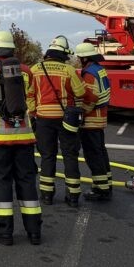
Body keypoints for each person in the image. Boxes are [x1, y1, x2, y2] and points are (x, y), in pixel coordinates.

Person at [0, 30, 41, 246]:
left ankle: (4, 233)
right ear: (12, 49)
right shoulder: (26, 71)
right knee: (27, 182)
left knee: (2, 182)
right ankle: (34, 232)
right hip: (24, 136)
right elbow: (30, 94)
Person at [28, 35, 86, 207]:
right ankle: (73, 196)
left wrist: (33, 111)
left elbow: (29, 95)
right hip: (65, 119)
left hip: (43, 119)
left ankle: (46, 195)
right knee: (70, 155)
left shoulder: (35, 69)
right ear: (63, 54)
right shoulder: (68, 70)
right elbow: (80, 92)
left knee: (47, 156)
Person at [74, 43, 112, 201]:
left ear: (84, 58)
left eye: (79, 58)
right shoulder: (99, 69)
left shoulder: (89, 73)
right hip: (100, 118)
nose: (78, 60)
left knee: (93, 154)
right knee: (101, 152)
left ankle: (101, 190)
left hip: (91, 120)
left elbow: (91, 97)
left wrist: (82, 111)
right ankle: (106, 183)